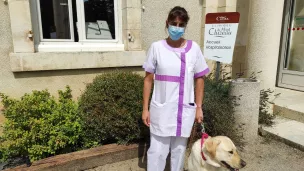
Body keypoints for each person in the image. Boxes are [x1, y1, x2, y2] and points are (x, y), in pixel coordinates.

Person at [142, 6, 210, 171]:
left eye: (181, 24)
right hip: (161, 110)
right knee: (157, 150)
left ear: (185, 26)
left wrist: (199, 107)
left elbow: (200, 78)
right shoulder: (156, 48)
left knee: (179, 151)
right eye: (174, 23)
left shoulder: (194, 49)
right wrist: (145, 109)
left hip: (184, 111)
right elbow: (148, 79)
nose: (177, 28)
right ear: (167, 23)